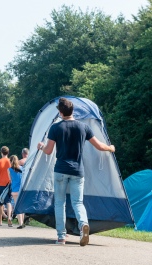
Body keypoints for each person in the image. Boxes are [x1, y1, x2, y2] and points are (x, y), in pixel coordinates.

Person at [37, 97, 115, 246]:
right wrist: (110, 148)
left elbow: (48, 151)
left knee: (60, 203)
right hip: (78, 171)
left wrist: (41, 146)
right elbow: (99, 146)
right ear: (73, 111)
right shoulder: (83, 127)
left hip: (60, 170)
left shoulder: (56, 128)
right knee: (78, 202)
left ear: (60, 113)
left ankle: (61, 237)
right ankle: (83, 224)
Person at [0, 146, 12, 227]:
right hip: (9, 184)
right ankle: (9, 218)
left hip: (0, 184)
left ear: (1, 152)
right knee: (9, 202)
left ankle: (0, 221)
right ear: (8, 152)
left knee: (0, 203)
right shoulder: (10, 162)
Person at [9, 155, 25, 228]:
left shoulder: (9, 169)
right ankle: (23, 222)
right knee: (22, 206)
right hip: (21, 189)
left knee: (17, 207)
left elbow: (10, 180)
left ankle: (20, 223)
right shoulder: (22, 168)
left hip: (14, 189)